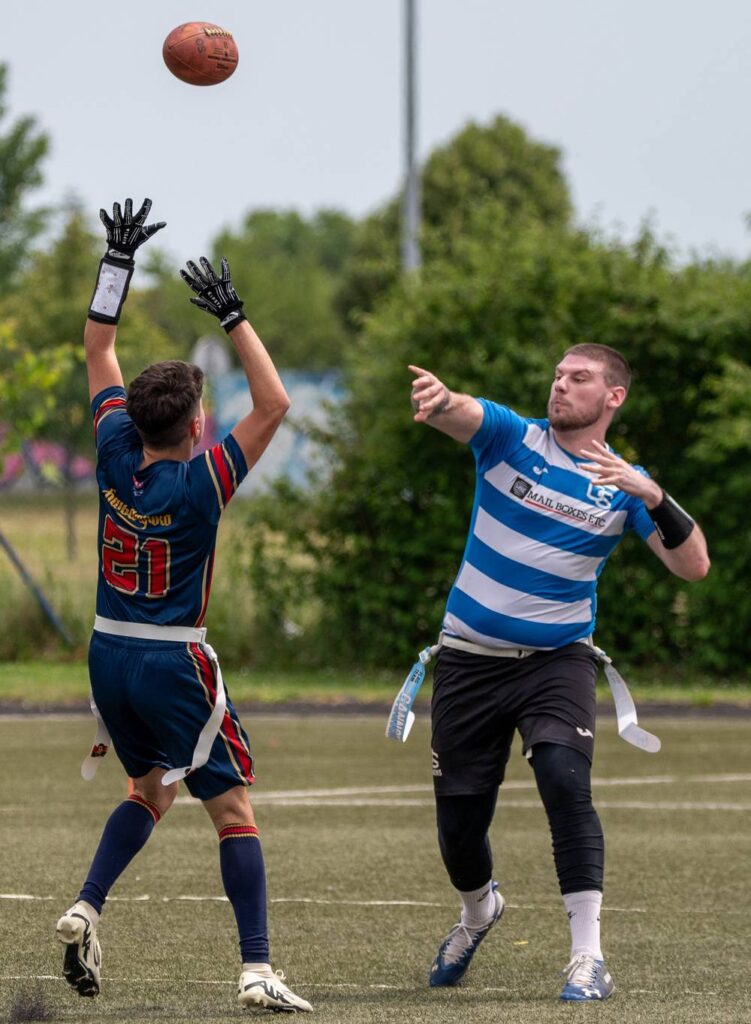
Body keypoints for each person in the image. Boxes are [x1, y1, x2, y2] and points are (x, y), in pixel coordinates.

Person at [54, 198, 312, 1013]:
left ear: (133, 419)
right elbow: (274, 404)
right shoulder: (201, 483)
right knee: (232, 809)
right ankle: (256, 968)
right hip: (173, 662)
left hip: (107, 653)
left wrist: (116, 261)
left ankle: (86, 906)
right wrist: (233, 315)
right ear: (197, 426)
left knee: (151, 790)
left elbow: (98, 345)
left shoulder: (113, 449)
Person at [409, 344, 709, 1002]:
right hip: (468, 660)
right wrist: (441, 399)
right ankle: (479, 911)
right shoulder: (512, 438)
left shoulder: (625, 485)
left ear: (613, 397)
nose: (560, 385)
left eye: (579, 378)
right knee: (459, 825)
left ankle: (587, 958)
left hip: (557, 660)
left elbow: (693, 566)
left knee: (564, 782)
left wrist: (654, 496)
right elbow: (464, 412)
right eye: (557, 375)